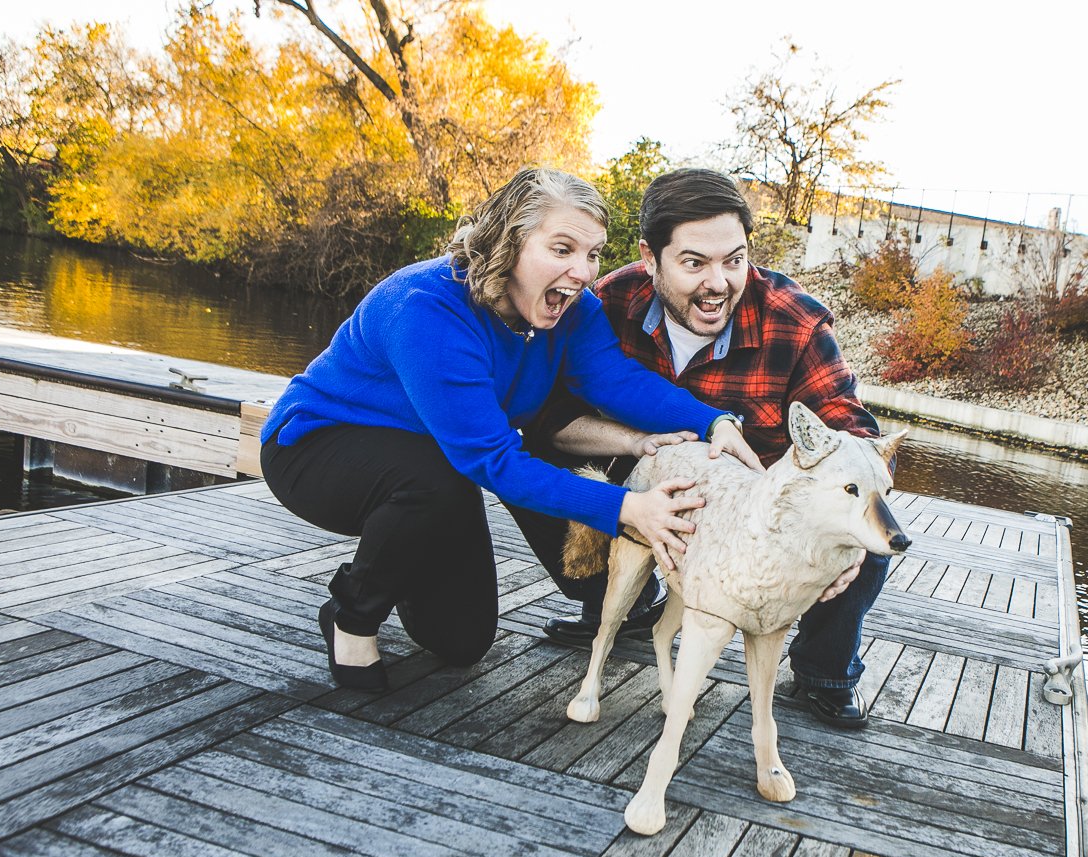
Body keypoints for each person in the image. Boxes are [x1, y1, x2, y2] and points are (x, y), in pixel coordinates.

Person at [260, 167, 761, 691]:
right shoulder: (427, 308)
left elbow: (616, 381)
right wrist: (627, 508)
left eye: (592, 254)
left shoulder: (571, 309)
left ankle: (401, 553)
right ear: (509, 242)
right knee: (433, 482)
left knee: (462, 641)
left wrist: (713, 421)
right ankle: (351, 615)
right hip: (318, 449)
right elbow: (493, 460)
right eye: (562, 249)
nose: (583, 272)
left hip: (437, 464)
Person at [524, 168, 888, 729]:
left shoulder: (796, 322)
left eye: (734, 260)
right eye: (694, 263)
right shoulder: (607, 301)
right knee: (539, 462)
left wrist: (852, 535)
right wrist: (640, 443)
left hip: (753, 511)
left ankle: (825, 671)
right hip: (644, 483)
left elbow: (855, 434)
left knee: (865, 523)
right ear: (650, 258)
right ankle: (617, 602)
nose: (718, 283)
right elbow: (550, 417)